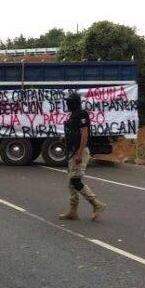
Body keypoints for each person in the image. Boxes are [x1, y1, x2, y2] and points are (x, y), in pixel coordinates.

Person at [58, 92, 106, 221]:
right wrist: (66, 139)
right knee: (70, 182)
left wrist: (79, 153)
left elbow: (84, 134)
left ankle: (96, 204)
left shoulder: (82, 114)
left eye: (69, 101)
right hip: (72, 151)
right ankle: (73, 211)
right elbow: (73, 132)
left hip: (80, 151)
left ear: (74, 102)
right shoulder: (72, 115)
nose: (67, 103)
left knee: (75, 180)